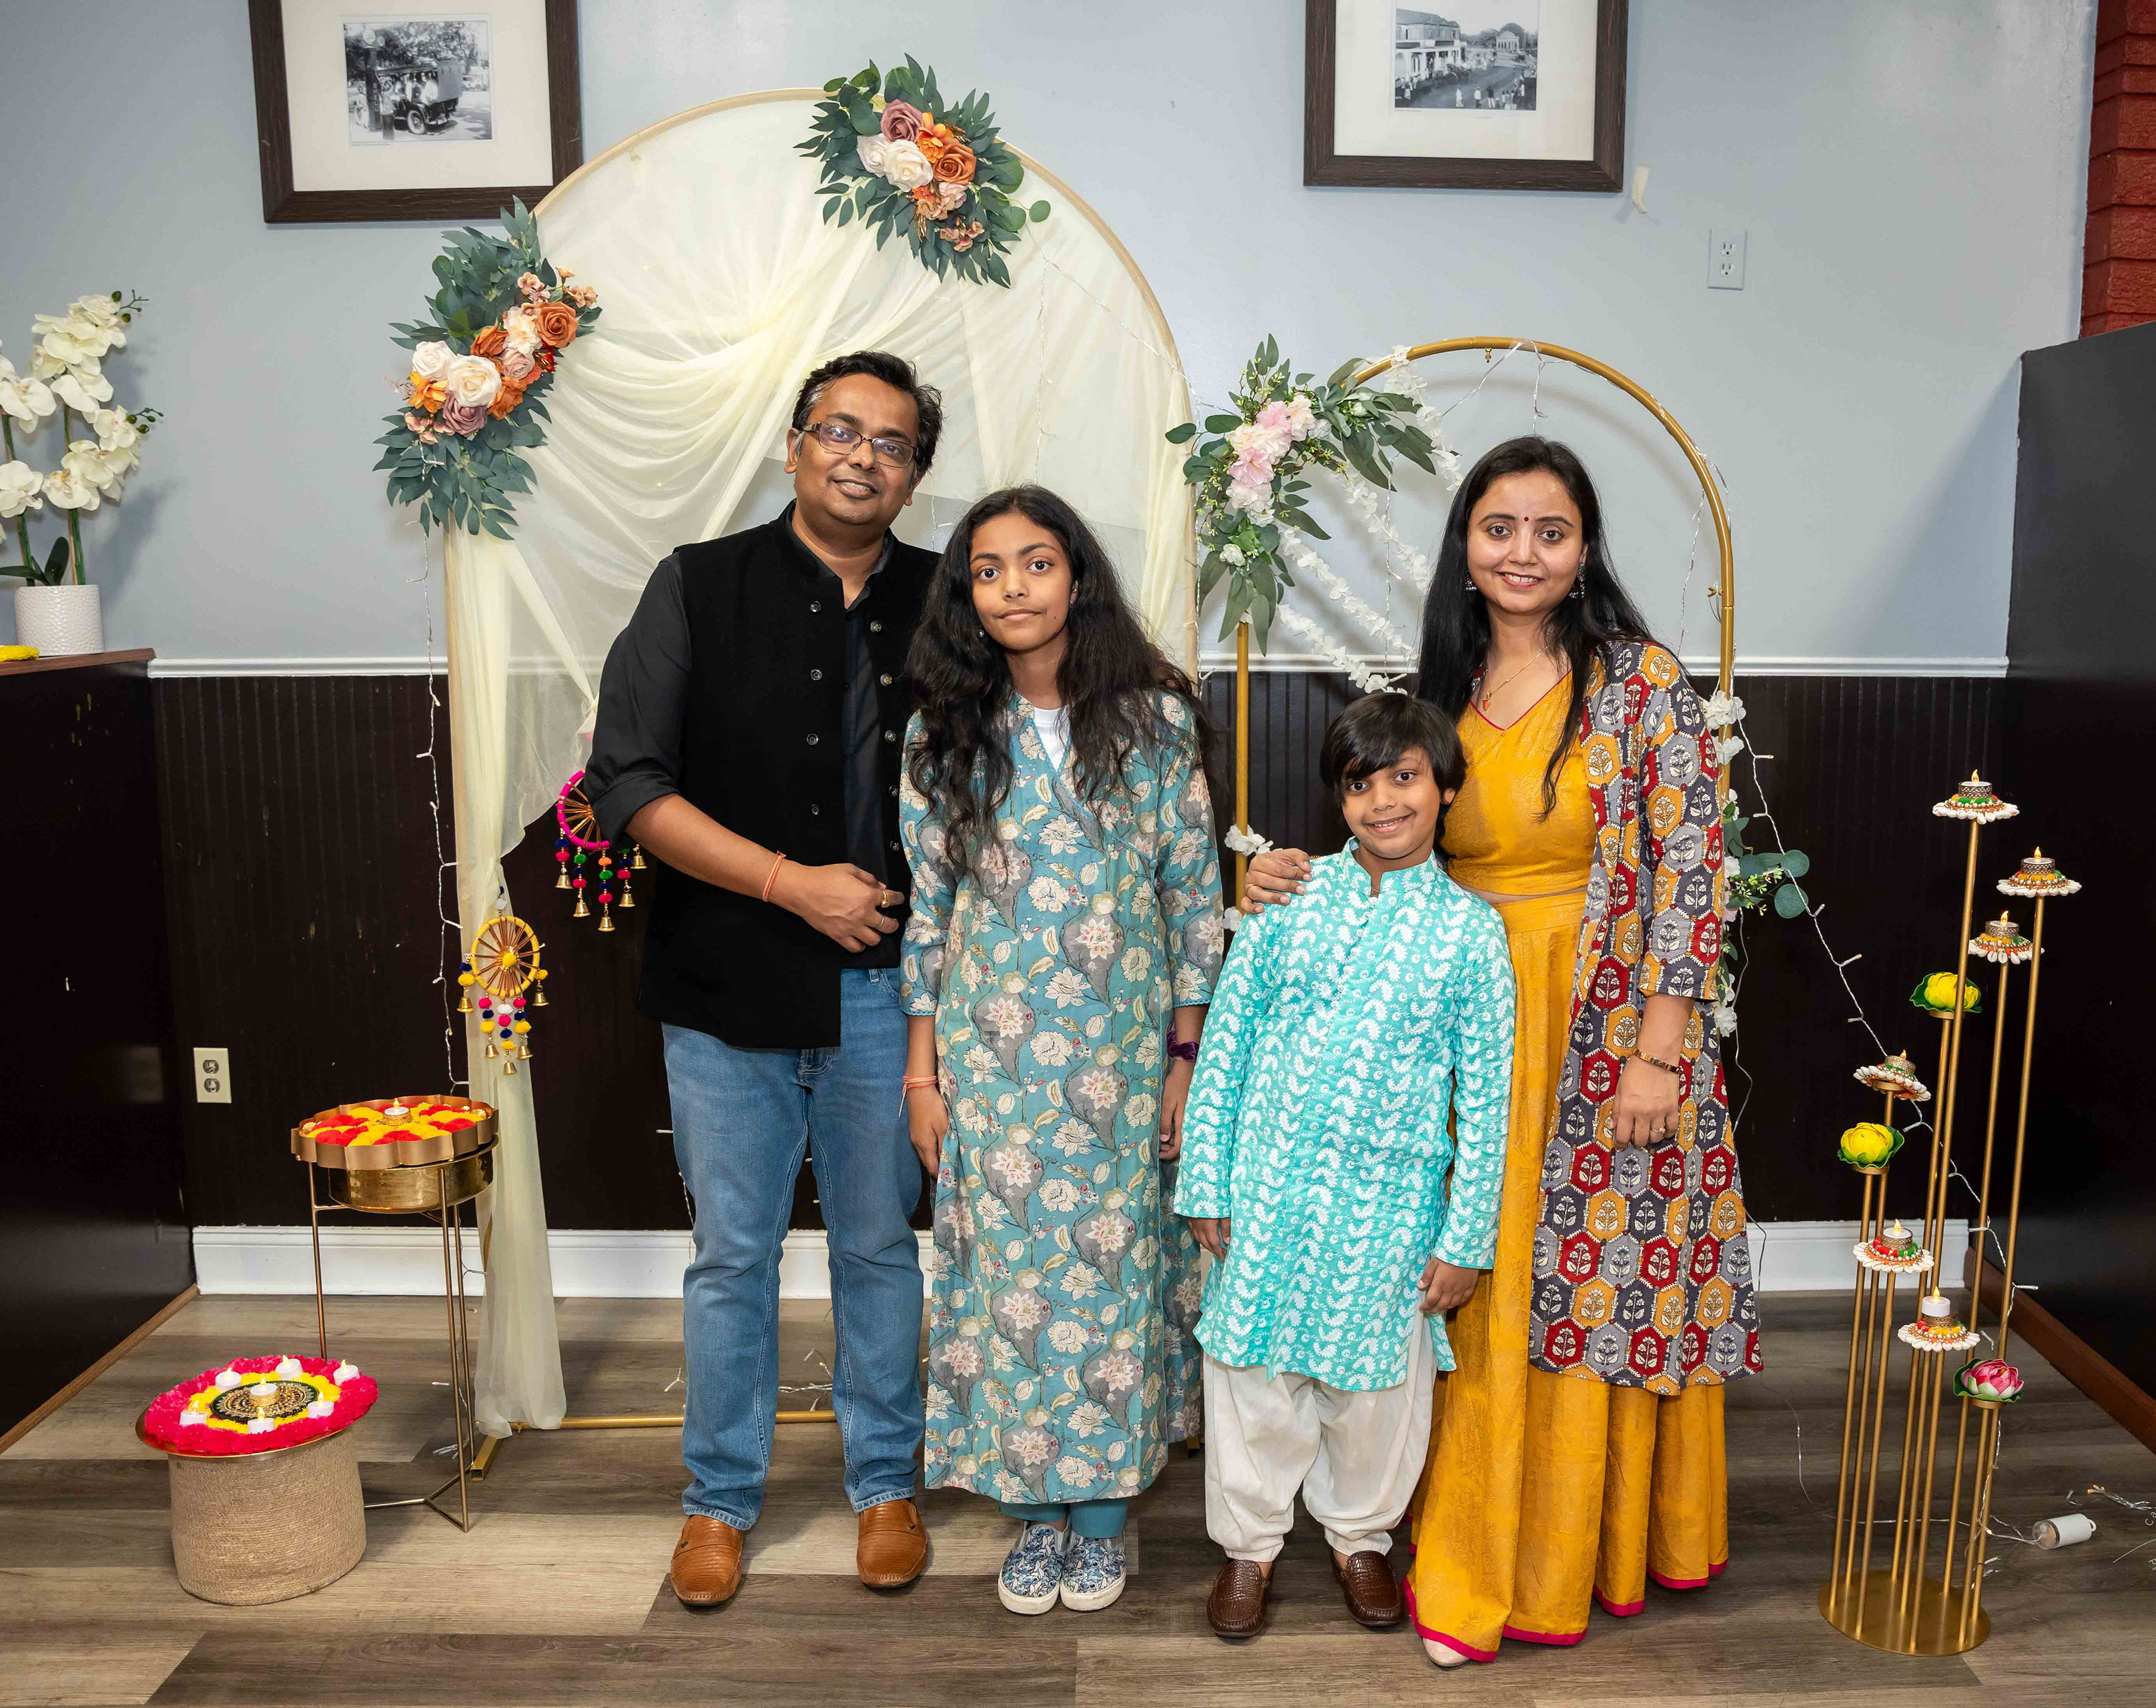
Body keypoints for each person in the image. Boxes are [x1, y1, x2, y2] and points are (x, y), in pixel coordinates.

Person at [1242, 436, 1756, 1665]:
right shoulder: (1443, 682)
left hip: (1603, 1017)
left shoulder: (1640, 681)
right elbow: (1387, 829)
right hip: (1450, 1012)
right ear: (1465, 545)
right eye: (1499, 527)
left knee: (1582, 1278)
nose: (1523, 552)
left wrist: (1660, 1051)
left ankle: (1556, 1552)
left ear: (1584, 551)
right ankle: (1438, 1524)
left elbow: (1695, 872)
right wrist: (1285, 875)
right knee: (1458, 1270)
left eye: (1551, 530)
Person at [583, 350, 946, 1610]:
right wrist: (794, 885)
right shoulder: (696, 584)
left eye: (891, 443)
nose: (862, 457)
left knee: (879, 1248)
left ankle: (886, 1485)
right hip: (723, 988)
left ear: (914, 476)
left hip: (890, 995)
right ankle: (717, 1502)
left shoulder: (950, 601)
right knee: (731, 1256)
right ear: (793, 447)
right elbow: (628, 783)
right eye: (840, 431)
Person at [897, 484, 1224, 1618]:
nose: (1014, 588)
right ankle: (1035, 1513)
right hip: (989, 1068)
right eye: (988, 571)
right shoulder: (942, 733)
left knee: (1116, 1280)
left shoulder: (1154, 721)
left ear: (1077, 577)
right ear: (966, 596)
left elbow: (1193, 898)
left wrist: (1185, 1059)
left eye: (1037, 563)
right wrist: (922, 1074)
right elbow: (929, 912)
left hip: (1124, 1065)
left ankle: (1101, 1520)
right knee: (1010, 1288)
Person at [1175, 693, 1514, 1641]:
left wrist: (1465, 1238)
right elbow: (1228, 1046)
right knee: (1251, 1381)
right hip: (1267, 1192)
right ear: (1339, 798)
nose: (1383, 801)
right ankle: (1249, 1549)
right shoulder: (1288, 899)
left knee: (1376, 1394)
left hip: (1392, 1206)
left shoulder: (1469, 932)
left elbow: (1487, 1100)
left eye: (1405, 778)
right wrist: (1206, 1179)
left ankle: (1362, 1538)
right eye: (1361, 785)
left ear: (1446, 790)